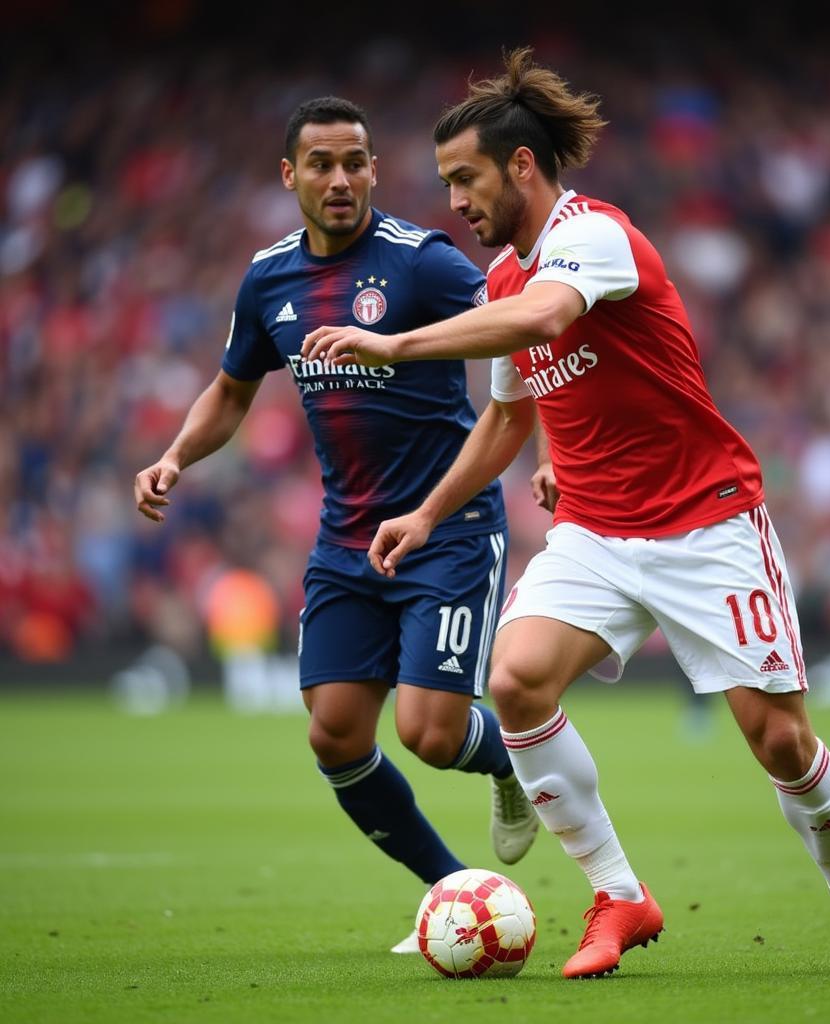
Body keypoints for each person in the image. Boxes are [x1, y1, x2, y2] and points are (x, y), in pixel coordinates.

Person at [299, 51, 830, 980]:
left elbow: (550, 320)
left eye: (464, 179)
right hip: (595, 533)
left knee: (782, 742)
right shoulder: (503, 280)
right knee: (513, 683)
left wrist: (392, 343)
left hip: (706, 523)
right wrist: (429, 513)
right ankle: (619, 894)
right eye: (444, 184)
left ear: (520, 166)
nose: (456, 201)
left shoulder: (591, 235)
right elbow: (510, 417)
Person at [133, 95, 540, 953]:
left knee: (427, 734)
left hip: (447, 527)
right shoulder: (269, 277)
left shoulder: (422, 264)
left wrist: (554, 453)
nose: (342, 178)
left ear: (374, 171)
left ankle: (506, 759)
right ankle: (453, 893)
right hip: (347, 541)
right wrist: (176, 456)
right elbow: (232, 389)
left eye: (356, 161)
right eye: (322, 163)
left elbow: (516, 335)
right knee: (336, 734)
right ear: (291, 176)